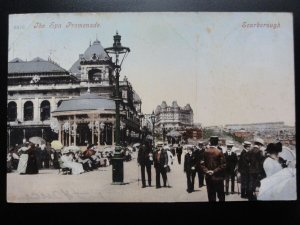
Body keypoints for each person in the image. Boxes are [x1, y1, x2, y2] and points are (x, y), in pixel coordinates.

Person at [201, 136, 226, 202]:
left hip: (208, 177)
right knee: (221, 196)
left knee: (211, 196)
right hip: (218, 177)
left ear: (210, 142)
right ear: (217, 142)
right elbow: (223, 165)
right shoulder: (219, 152)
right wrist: (214, 171)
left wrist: (207, 171)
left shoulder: (205, 151)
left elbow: (202, 164)